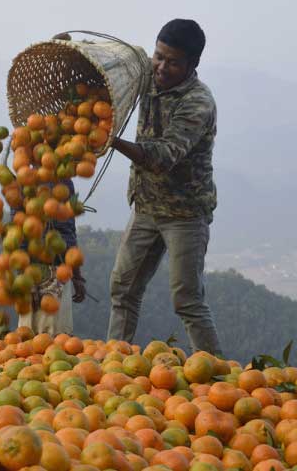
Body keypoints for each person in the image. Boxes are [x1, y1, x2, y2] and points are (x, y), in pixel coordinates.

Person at [106, 19, 222, 354]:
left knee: (187, 300)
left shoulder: (198, 103)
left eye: (172, 62)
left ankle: (216, 377)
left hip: (184, 213)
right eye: (159, 56)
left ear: (192, 64)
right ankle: (114, 360)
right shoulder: (149, 73)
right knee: (122, 289)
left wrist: (112, 141)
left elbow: (162, 157)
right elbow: (112, 70)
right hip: (146, 205)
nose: (161, 67)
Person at [17, 178, 86, 336]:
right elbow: (18, 234)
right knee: (40, 345)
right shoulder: (29, 181)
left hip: (48, 273)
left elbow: (68, 231)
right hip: (44, 273)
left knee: (43, 345)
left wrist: (76, 275)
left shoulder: (61, 182)